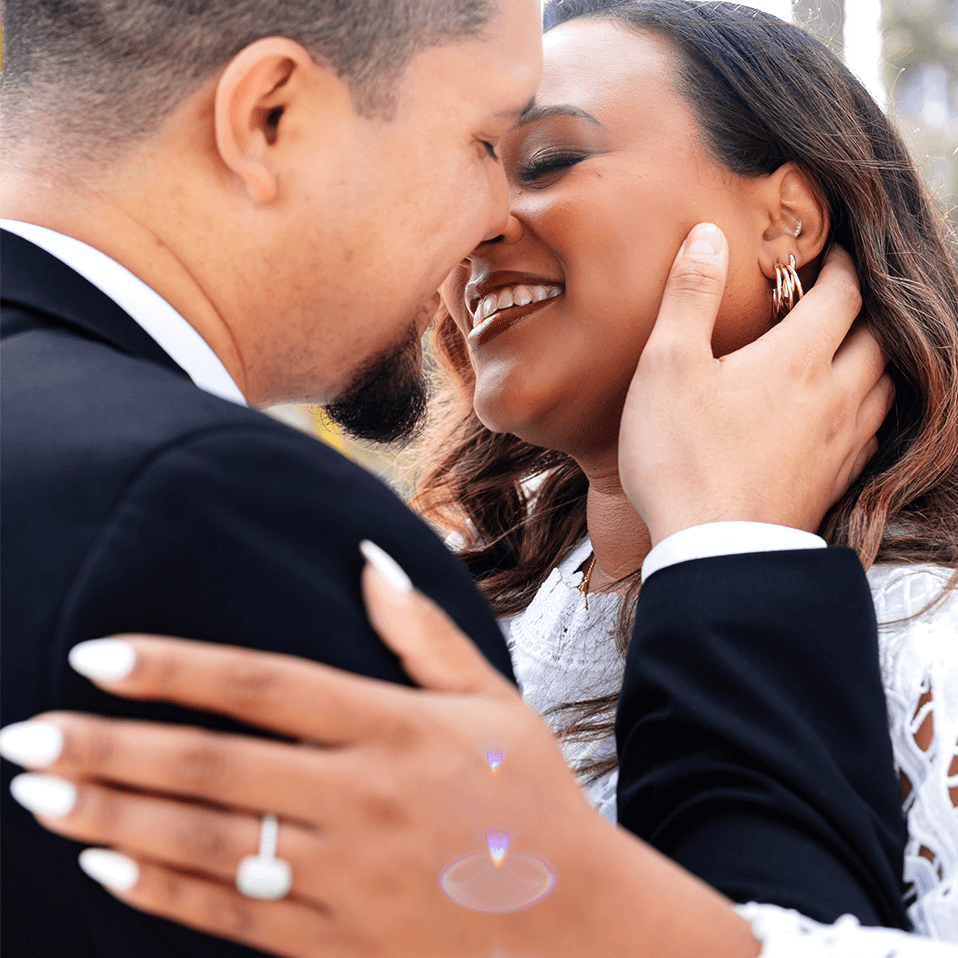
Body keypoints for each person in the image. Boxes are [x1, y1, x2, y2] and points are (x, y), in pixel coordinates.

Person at [0, 0, 911, 955]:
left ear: (788, 220)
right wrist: (733, 552)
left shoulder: (923, 626)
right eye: (480, 143)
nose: (486, 220)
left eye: (544, 159)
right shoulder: (231, 522)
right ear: (269, 118)